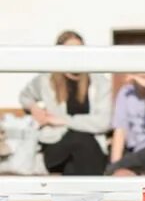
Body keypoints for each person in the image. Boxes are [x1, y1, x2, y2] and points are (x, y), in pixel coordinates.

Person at [18, 30, 111, 175]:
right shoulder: (46, 80)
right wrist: (35, 109)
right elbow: (25, 96)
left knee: (76, 160)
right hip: (55, 144)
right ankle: (93, 193)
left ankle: (78, 195)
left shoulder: (99, 82)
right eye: (69, 51)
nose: (75, 56)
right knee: (80, 140)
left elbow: (103, 122)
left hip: (91, 148)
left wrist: (63, 120)